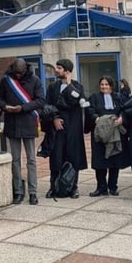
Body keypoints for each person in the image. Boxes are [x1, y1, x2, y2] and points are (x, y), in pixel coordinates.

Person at [0, 58, 45, 205]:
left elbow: (40, 100)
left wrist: (23, 108)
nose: (18, 75)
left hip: (28, 122)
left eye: (20, 73)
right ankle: (18, 191)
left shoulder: (35, 80)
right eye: (16, 73)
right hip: (12, 123)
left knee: (31, 160)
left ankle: (33, 192)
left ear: (25, 69)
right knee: (15, 160)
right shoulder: (6, 80)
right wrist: (5, 107)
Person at [45, 59, 88, 199]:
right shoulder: (53, 87)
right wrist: (54, 118)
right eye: (56, 67)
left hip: (73, 128)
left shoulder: (77, 86)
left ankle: (73, 188)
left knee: (73, 157)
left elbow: (77, 101)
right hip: (57, 128)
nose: (56, 70)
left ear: (67, 71)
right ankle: (53, 187)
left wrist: (69, 85)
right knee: (56, 157)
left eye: (59, 68)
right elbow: (47, 106)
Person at [86, 75, 128, 196]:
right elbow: (90, 110)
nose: (104, 87)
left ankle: (113, 186)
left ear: (111, 85)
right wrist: (96, 118)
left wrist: (121, 118)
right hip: (100, 133)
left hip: (115, 132)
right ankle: (101, 187)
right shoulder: (94, 97)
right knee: (100, 161)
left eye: (106, 84)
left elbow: (125, 109)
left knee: (115, 160)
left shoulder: (118, 97)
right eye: (102, 84)